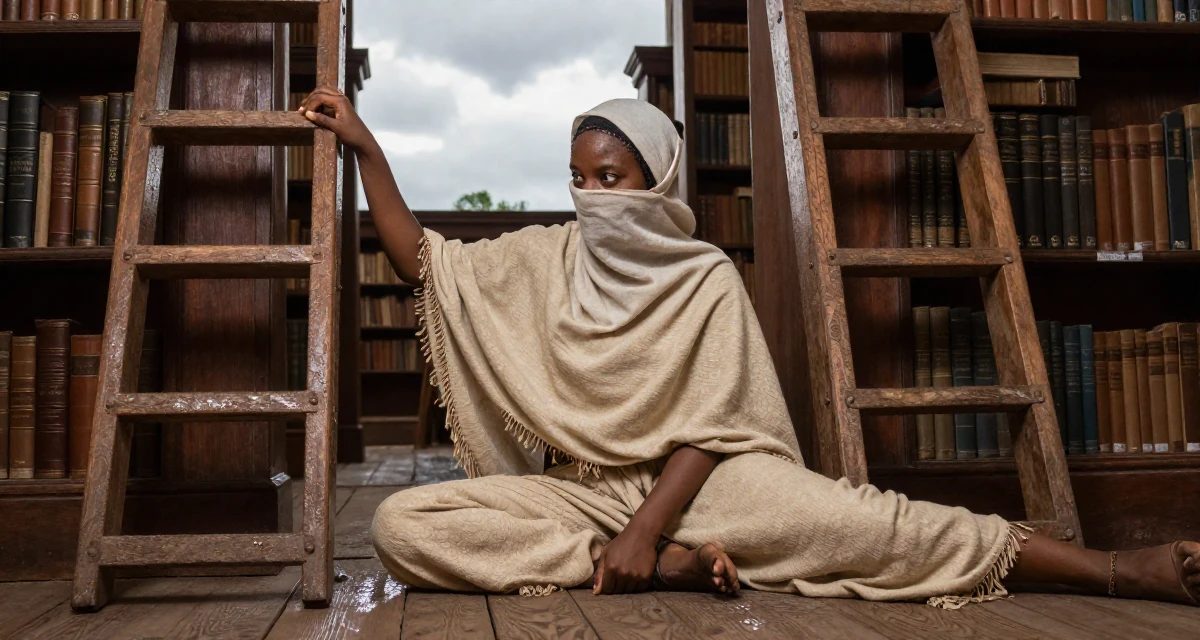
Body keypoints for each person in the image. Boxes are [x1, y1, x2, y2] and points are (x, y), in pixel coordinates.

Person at [297, 87, 1199, 607]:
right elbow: (423, 260)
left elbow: (718, 424)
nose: (592, 197)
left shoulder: (705, 277)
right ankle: (657, 570)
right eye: (578, 179)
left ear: (656, 182)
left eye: (610, 178)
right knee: (401, 526)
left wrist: (649, 525)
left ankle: (1115, 570)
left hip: (704, 483)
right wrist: (364, 146)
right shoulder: (546, 255)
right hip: (583, 494)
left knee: (872, 523)